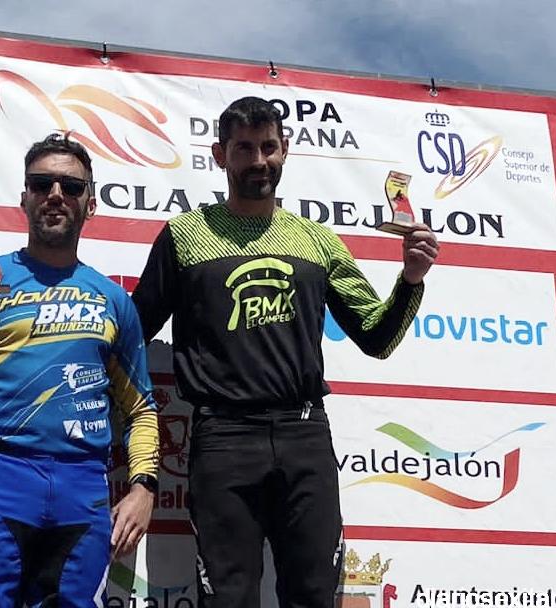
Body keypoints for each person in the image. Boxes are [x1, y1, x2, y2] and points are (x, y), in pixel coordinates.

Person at [132, 97, 439, 607]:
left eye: (268, 147)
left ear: (285, 150)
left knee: (314, 595)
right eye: (244, 148)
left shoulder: (318, 240)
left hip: (304, 436)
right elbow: (133, 330)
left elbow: (377, 337)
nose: (258, 161)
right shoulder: (185, 235)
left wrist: (410, 280)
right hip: (222, 438)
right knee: (227, 599)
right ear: (220, 155)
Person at [0, 133, 160, 607]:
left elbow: (141, 409)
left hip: (82, 484)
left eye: (71, 186)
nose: (56, 195)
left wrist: (144, 488)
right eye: (42, 184)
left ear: (90, 204)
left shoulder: (113, 300)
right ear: (24, 198)